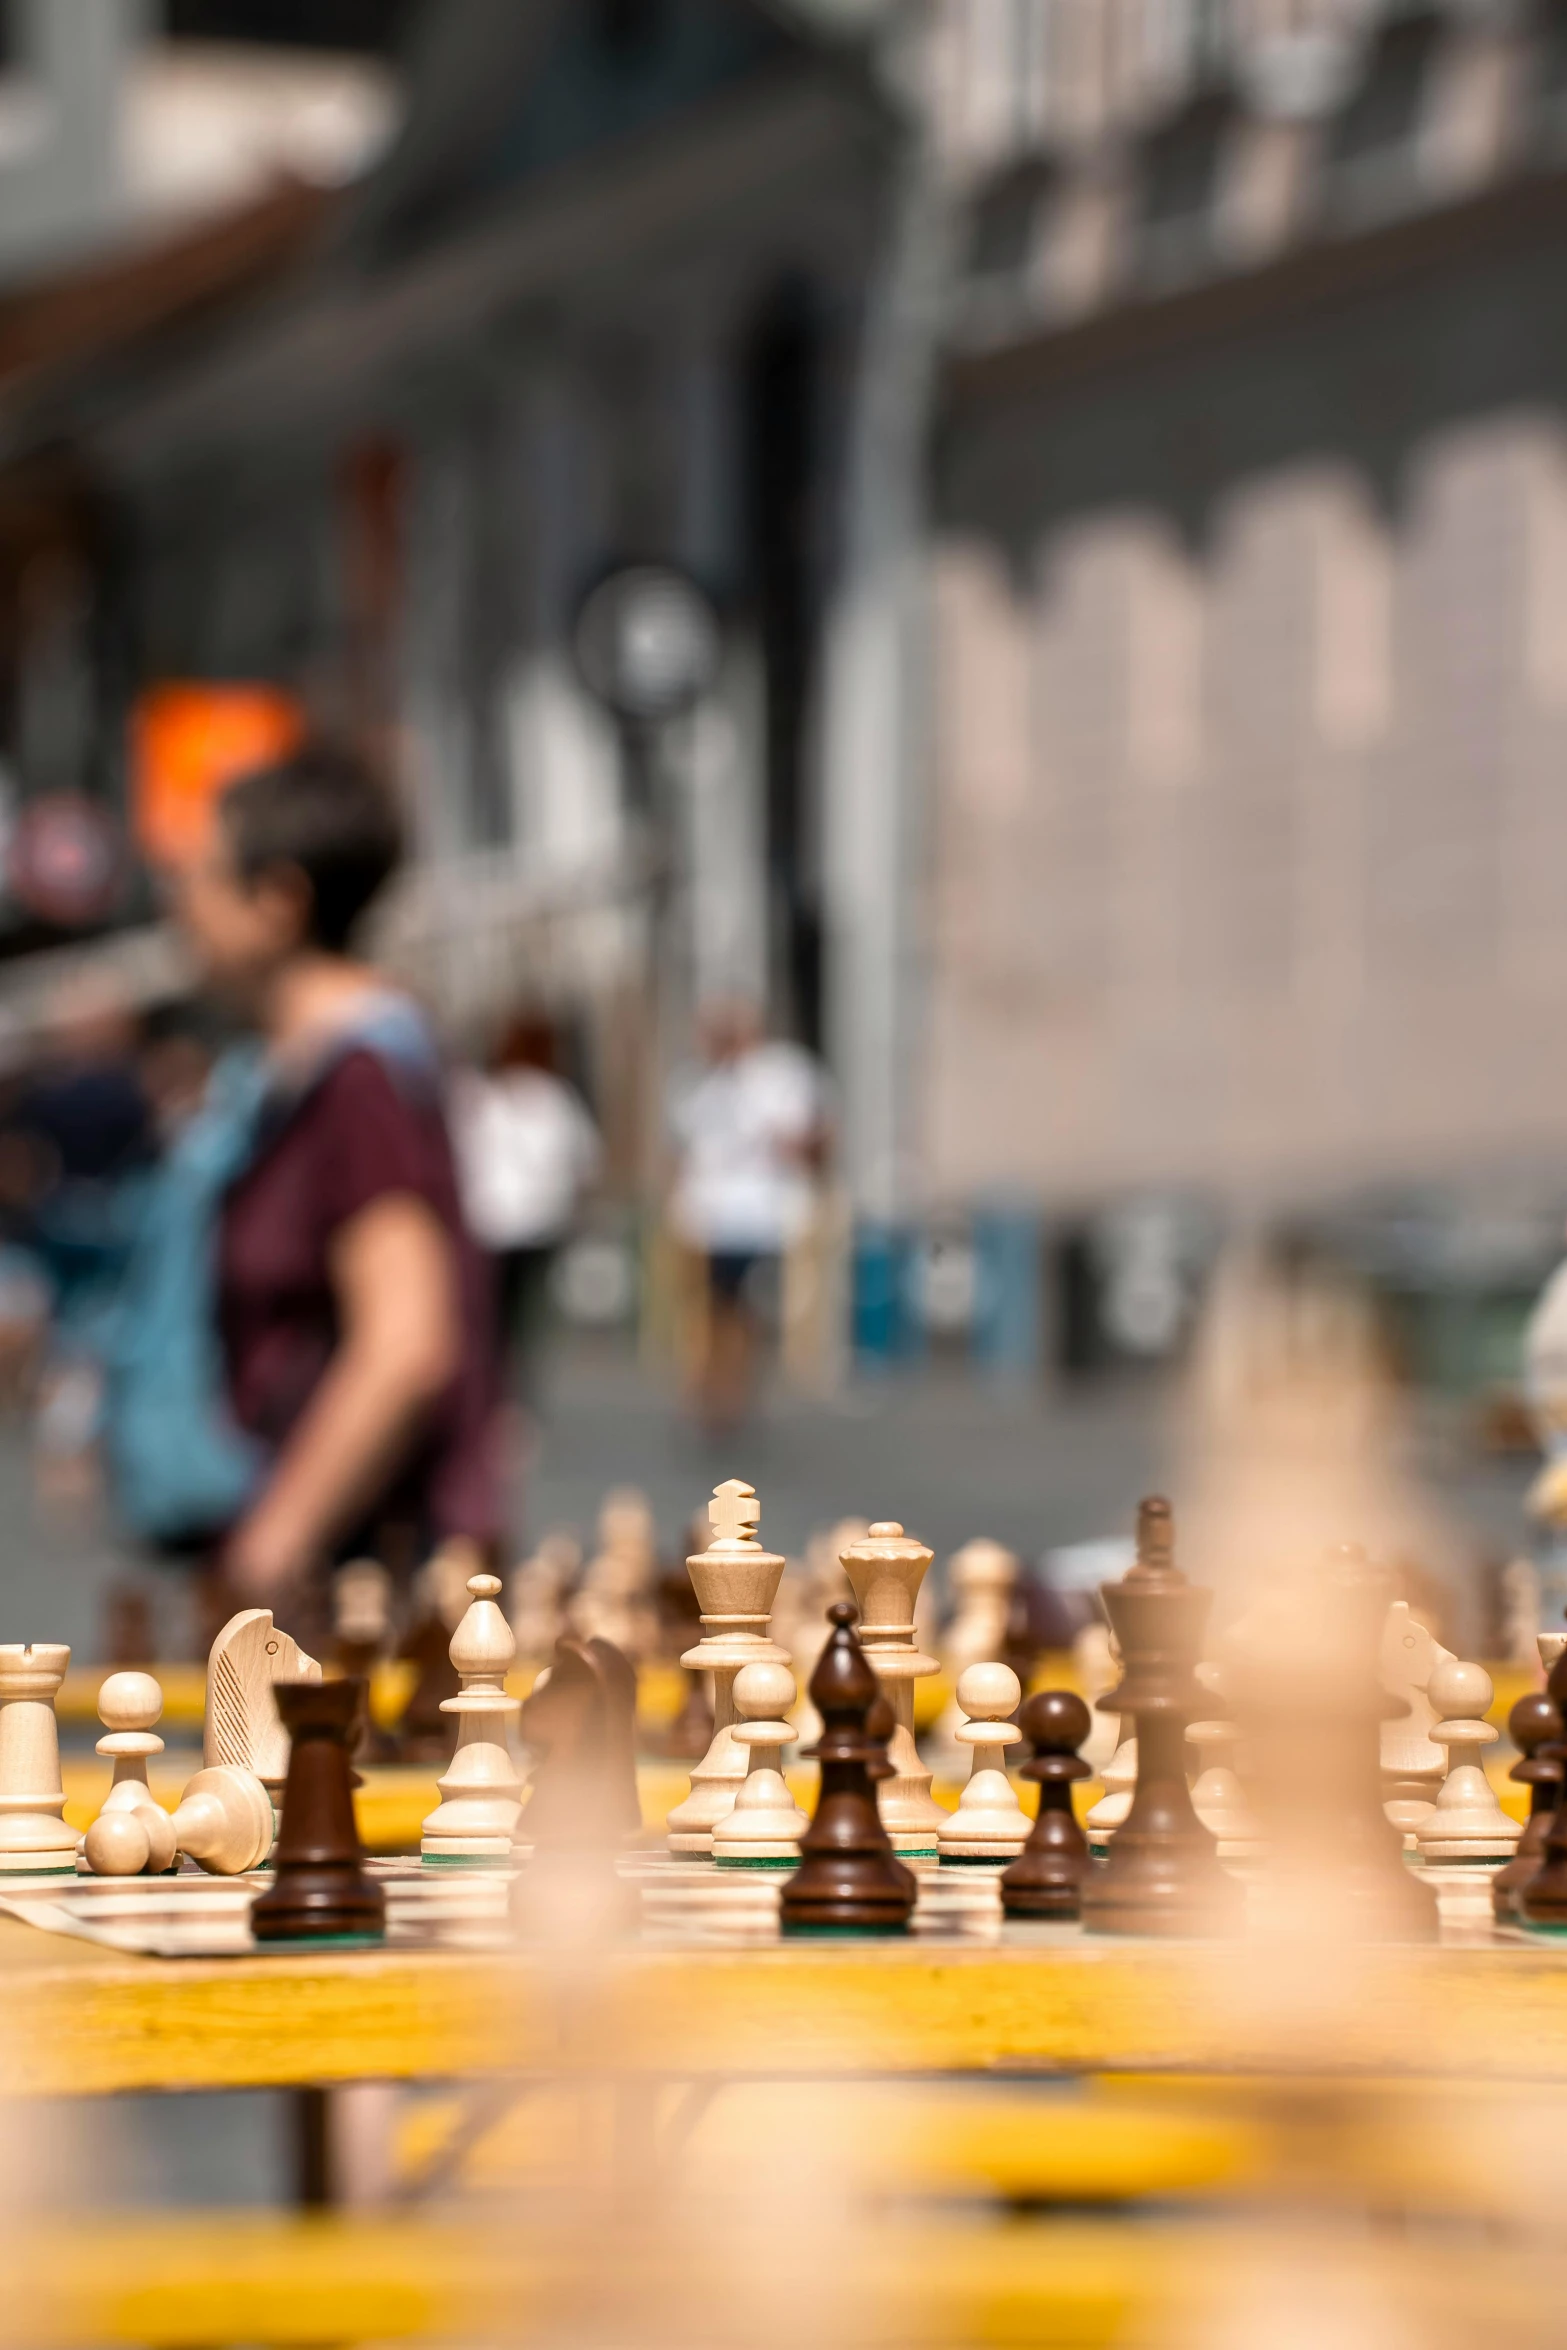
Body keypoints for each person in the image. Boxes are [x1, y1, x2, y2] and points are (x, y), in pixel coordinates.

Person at [166, 738, 499, 1631]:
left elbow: (404, 1341)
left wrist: (272, 1545)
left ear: (278, 903)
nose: (180, 905)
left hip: (363, 1578)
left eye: (199, 876)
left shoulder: (356, 1081)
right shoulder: (308, 1071)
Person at [666, 1001, 828, 1436]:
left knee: (750, 1311)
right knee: (715, 1311)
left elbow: (815, 1137)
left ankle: (736, 1391)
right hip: (708, 1220)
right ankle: (714, 1392)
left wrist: (792, 1146)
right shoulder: (696, 1085)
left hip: (764, 1220)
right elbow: (683, 1152)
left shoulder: (782, 1076)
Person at [449, 1011, 600, 1404]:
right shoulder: (555, 1098)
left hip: (487, 1221)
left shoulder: (479, 1095)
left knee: (490, 1314)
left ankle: (493, 1391)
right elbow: (583, 1162)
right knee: (523, 1317)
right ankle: (515, 1395)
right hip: (538, 1222)